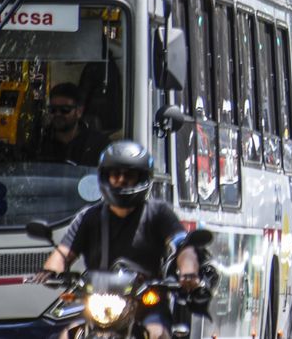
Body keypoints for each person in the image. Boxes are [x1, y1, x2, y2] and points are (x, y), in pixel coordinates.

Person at [39, 141, 200, 339]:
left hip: (146, 304)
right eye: (115, 175)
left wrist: (189, 272)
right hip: (99, 303)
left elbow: (183, 247)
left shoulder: (159, 213)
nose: (121, 180)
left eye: (129, 176)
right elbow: (64, 252)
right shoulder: (89, 217)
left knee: (157, 333)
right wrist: (51, 271)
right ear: (105, 177)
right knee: (67, 334)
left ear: (142, 178)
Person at [34, 83, 110, 165]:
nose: (57, 114)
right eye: (53, 110)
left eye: (65, 109)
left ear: (79, 112)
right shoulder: (39, 141)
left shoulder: (97, 144)